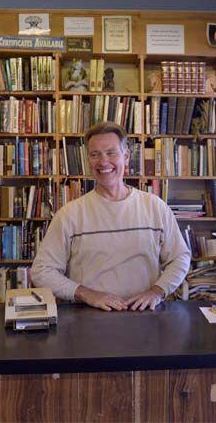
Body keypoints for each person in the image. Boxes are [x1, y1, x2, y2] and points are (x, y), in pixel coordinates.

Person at [31, 122, 191, 311]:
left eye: (111, 152)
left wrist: (157, 291)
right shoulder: (70, 214)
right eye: (94, 154)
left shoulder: (155, 207)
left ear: (126, 157)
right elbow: (41, 271)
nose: (103, 161)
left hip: (144, 315)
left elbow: (180, 257)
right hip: (88, 318)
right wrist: (87, 294)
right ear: (88, 160)